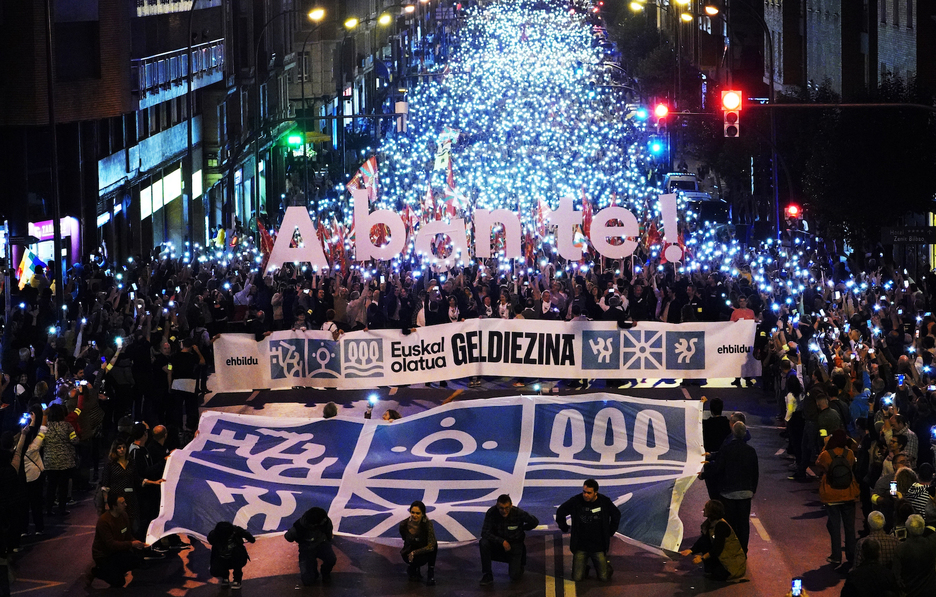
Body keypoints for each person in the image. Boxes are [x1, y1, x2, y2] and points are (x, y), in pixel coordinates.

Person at [700, 421, 758, 553]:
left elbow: (717, 469)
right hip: (745, 493)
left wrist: (703, 475)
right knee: (743, 524)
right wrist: (752, 489)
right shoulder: (751, 451)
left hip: (729, 493)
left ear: (733, 432)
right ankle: (743, 550)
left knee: (730, 523)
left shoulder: (727, 449)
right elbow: (755, 472)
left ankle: (730, 549)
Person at [555, 479, 621, 582]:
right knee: (577, 578)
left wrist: (610, 531)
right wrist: (563, 527)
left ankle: (606, 567)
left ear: (596, 493)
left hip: (598, 546)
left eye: (589, 493)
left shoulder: (604, 502)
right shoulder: (576, 501)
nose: (585, 495)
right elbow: (560, 512)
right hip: (581, 545)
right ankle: (584, 567)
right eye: (584, 492)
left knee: (604, 578)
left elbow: (616, 514)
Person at [816, 429, 860, 570]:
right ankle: (851, 555)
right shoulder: (850, 454)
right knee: (849, 527)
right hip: (848, 493)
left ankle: (835, 556)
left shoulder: (826, 454)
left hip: (831, 494)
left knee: (834, 526)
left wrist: (826, 445)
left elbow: (819, 464)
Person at [87, 493, 146, 588]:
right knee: (119, 582)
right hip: (104, 555)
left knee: (136, 561)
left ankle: (115, 571)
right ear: (114, 506)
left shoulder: (124, 515)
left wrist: (137, 543)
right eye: (122, 503)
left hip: (117, 551)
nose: (126, 505)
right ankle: (96, 571)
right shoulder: (104, 521)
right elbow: (111, 544)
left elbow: (127, 535)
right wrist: (131, 544)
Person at [479, 494, 539, 585]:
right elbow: (484, 532)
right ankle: (487, 574)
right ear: (497, 506)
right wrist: (502, 541)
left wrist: (522, 528)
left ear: (511, 505)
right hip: (498, 543)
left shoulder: (518, 513)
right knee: (483, 543)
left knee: (515, 576)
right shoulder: (491, 513)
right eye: (501, 508)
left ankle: (520, 560)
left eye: (507, 508)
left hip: (515, 544)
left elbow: (534, 521)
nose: (504, 511)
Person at [679, 499, 746, 581]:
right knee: (705, 544)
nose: (703, 509)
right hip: (724, 559)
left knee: (717, 575)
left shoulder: (721, 526)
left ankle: (716, 570)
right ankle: (712, 568)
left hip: (732, 565)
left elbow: (718, 548)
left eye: (706, 508)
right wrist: (691, 550)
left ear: (712, 512)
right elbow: (703, 540)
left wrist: (702, 558)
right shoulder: (709, 523)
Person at [284, 507, 336, 585]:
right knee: (308, 581)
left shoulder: (326, 522)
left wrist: (327, 543)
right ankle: (313, 571)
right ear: (314, 524)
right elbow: (288, 537)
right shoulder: (299, 527)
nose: (325, 520)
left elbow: (328, 532)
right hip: (307, 550)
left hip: (322, 545)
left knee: (331, 559)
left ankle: (325, 573)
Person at [892, 514, 936, 596]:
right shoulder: (932, 543)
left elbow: (896, 575)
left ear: (907, 530)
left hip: (910, 591)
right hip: (930, 590)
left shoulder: (901, 549)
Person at [398, 500, 438, 585]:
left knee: (434, 544)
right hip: (409, 551)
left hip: (423, 551)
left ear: (423, 514)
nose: (414, 515)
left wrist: (414, 552)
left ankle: (430, 573)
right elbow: (404, 539)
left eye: (418, 513)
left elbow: (431, 546)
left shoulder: (428, 524)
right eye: (412, 512)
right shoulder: (403, 525)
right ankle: (413, 568)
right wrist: (410, 552)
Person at [207, 521, 256, 589]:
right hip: (221, 558)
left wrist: (249, 538)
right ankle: (225, 576)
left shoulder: (237, 531)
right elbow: (210, 540)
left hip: (236, 557)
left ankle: (237, 580)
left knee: (237, 557)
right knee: (214, 571)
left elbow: (251, 538)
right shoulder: (214, 534)